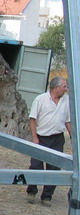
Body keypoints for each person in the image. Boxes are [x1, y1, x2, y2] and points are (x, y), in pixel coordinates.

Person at [26, 77, 71, 207]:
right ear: (56, 88)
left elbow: (68, 121)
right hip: (41, 137)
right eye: (64, 86)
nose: (66, 88)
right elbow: (32, 119)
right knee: (35, 166)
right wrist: (35, 138)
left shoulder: (66, 100)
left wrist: (74, 138)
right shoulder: (40, 99)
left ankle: (47, 196)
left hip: (57, 138)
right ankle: (31, 192)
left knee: (54, 168)